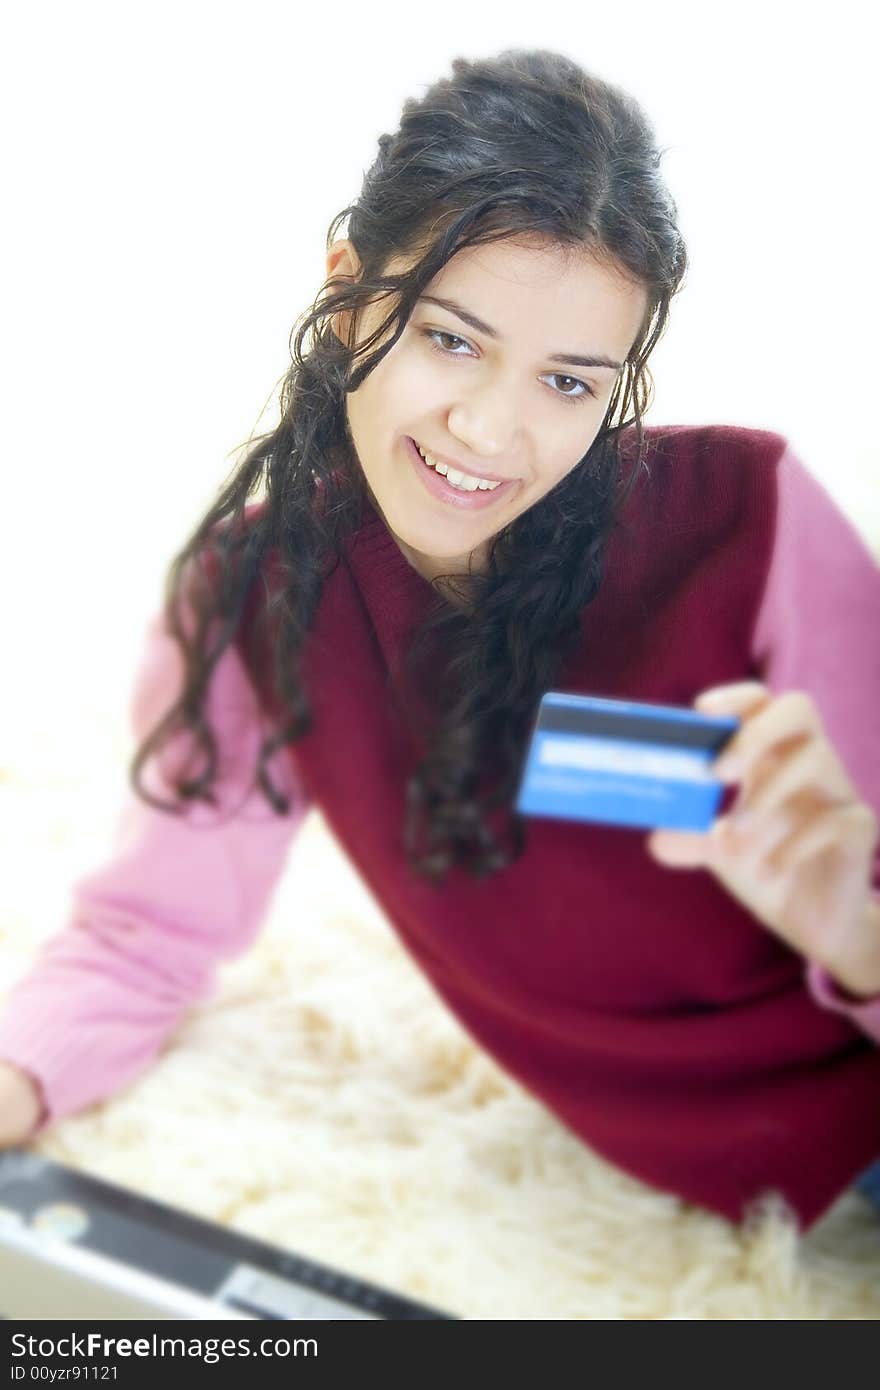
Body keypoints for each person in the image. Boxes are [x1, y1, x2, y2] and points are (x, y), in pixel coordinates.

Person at [1, 48, 879, 1231]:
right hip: (662, 1204)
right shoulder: (252, 597)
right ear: (352, 291)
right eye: (451, 339)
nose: (490, 429)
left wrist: (854, 933)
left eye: (569, 384)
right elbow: (145, 933)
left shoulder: (752, 521)